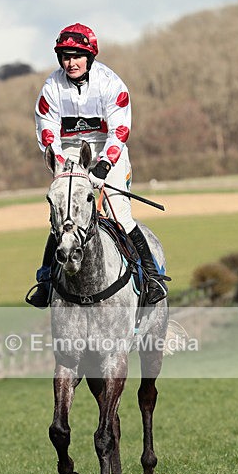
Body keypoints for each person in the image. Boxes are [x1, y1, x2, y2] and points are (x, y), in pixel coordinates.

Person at [27, 22, 168, 308]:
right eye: (66, 56)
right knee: (64, 219)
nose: (71, 62)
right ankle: (45, 282)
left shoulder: (111, 84)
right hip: (68, 155)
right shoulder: (51, 87)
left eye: (77, 56)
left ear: (89, 57)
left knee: (121, 216)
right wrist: (61, 164)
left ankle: (152, 278)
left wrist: (103, 167)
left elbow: (119, 129)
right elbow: (47, 131)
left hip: (107, 151)